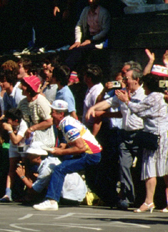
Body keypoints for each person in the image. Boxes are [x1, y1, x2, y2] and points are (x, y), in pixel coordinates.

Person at [86, 65, 145, 210]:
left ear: (137, 80)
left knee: (141, 168)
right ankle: (127, 197)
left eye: (127, 79)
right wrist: (93, 108)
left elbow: (141, 111)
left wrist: (127, 101)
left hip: (139, 134)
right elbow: (109, 102)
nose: (124, 81)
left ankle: (143, 198)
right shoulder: (123, 93)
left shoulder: (144, 94)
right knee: (123, 166)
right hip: (125, 134)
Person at [33, 99, 102, 211]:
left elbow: (81, 147)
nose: (51, 115)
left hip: (90, 155)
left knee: (59, 169)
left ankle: (52, 200)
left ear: (61, 114)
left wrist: (61, 152)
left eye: (53, 112)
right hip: (90, 153)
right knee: (62, 163)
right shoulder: (67, 121)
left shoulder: (67, 125)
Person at [116, 72, 168, 213]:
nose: (143, 88)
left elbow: (138, 110)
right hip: (159, 136)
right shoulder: (159, 97)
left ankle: (149, 201)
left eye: (144, 85)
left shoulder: (153, 97)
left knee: (151, 167)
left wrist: (126, 100)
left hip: (156, 137)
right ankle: (150, 201)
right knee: (162, 169)